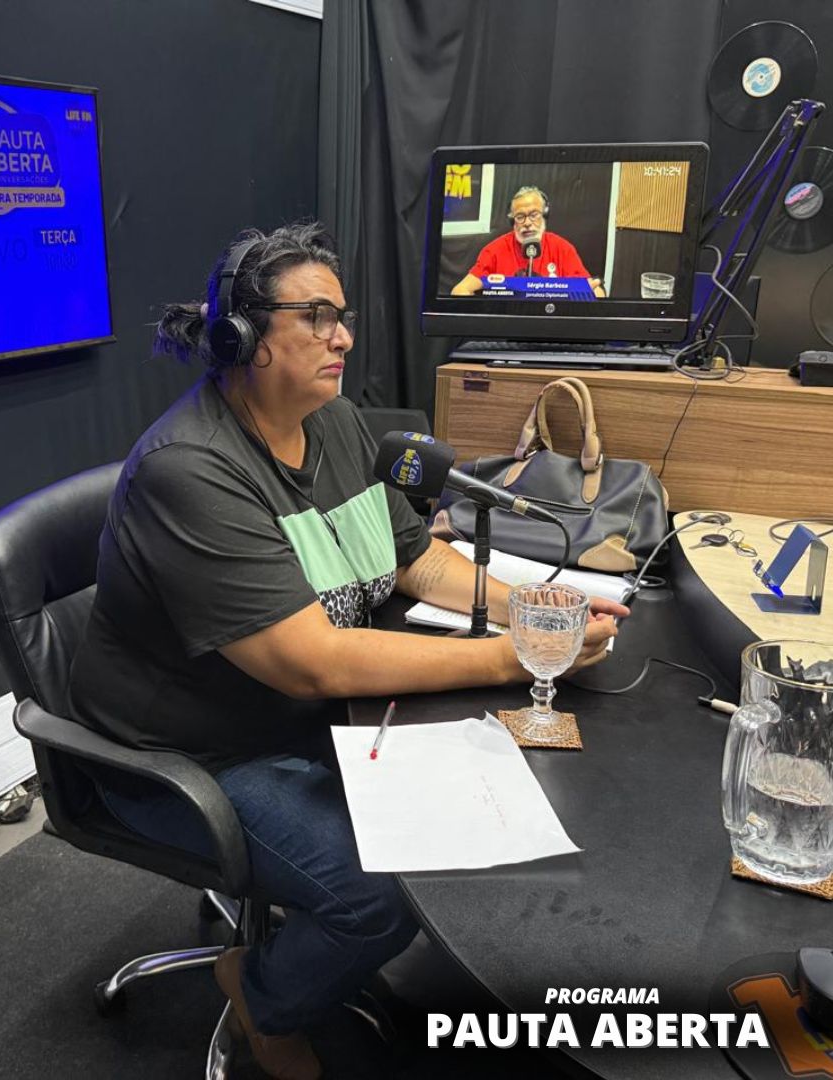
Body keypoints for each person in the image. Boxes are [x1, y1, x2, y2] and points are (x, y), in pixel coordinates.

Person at [68, 222, 626, 1079]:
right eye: (318, 317)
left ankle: (300, 959)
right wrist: (516, 655)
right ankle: (260, 992)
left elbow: (415, 560)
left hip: (306, 719)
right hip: (193, 756)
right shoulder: (191, 470)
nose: (345, 338)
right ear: (243, 337)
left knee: (483, 808)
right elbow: (314, 663)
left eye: (344, 317)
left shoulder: (335, 423)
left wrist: (538, 609)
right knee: (383, 896)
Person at [450, 185, 606, 297]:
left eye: (534, 215)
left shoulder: (562, 248)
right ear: (513, 221)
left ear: (545, 216)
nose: (527, 223)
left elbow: (596, 291)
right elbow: (459, 290)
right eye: (520, 217)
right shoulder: (494, 250)